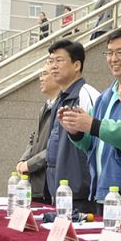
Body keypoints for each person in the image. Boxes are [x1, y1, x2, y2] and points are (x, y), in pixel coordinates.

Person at [59, 30, 121, 224]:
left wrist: (93, 125)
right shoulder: (106, 95)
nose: (113, 59)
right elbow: (92, 144)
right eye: (109, 53)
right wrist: (76, 130)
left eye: (120, 52)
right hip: (102, 191)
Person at [46, 39, 100, 213]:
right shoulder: (59, 99)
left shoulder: (87, 94)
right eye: (51, 61)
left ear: (77, 65)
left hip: (80, 194)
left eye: (59, 60)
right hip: (60, 191)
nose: (53, 66)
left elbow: (97, 142)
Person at [16, 63, 60, 204]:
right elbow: (33, 138)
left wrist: (29, 165)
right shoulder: (45, 107)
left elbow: (56, 147)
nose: (41, 78)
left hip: (48, 188)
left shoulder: (62, 108)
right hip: (35, 184)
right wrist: (23, 160)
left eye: (44, 74)